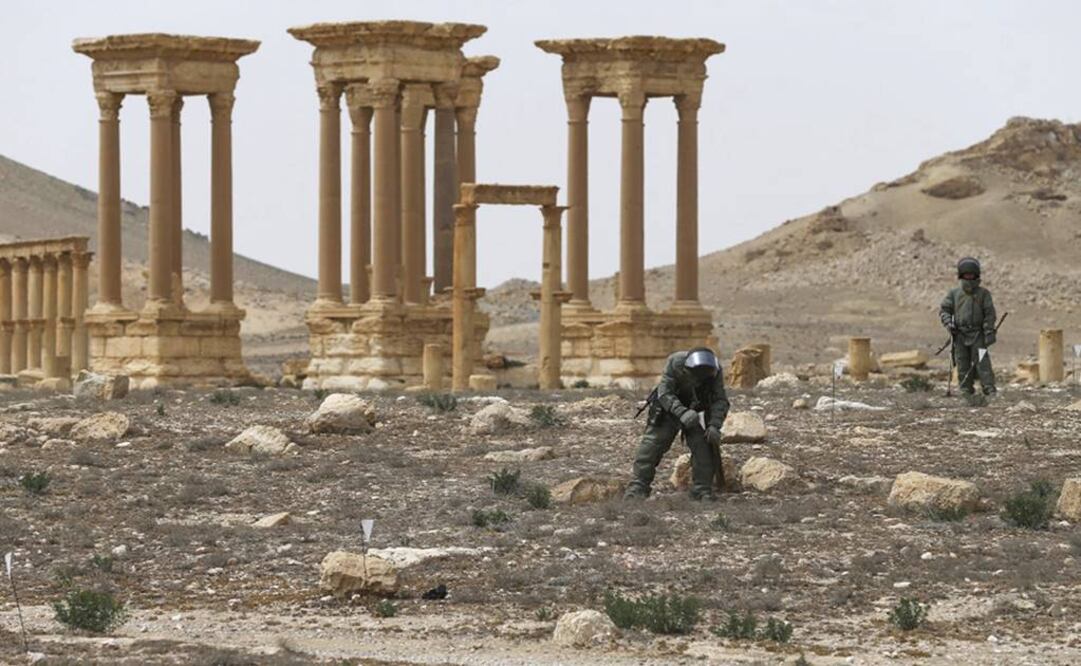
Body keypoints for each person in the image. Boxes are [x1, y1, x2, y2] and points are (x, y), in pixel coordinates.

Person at [624, 347, 730, 501]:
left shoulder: (715, 370)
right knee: (651, 446)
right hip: (668, 409)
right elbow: (665, 393)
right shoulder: (675, 362)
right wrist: (681, 412)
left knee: (704, 449)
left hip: (698, 411)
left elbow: (720, 400)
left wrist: (714, 425)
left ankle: (702, 490)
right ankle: (638, 487)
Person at [939, 257, 997, 396]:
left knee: (982, 362)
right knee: (962, 363)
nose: (969, 278)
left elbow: (990, 314)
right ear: (961, 275)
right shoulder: (954, 294)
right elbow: (944, 310)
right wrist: (949, 323)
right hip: (960, 335)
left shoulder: (983, 294)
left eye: (971, 275)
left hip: (978, 335)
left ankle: (989, 388)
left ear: (976, 275)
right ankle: (965, 389)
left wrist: (989, 331)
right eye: (966, 275)